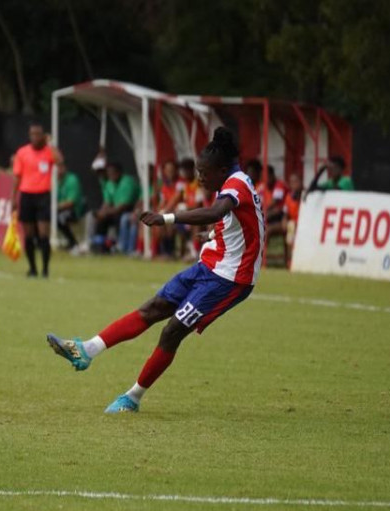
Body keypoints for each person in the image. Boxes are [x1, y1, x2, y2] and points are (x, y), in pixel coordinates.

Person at [46, 127, 264, 413]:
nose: (199, 178)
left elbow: (215, 213)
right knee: (153, 307)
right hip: (209, 266)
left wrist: (167, 218)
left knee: (172, 331)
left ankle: (132, 398)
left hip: (229, 279)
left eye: (203, 173)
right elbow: (242, 223)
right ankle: (86, 350)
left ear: (222, 169)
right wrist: (213, 236)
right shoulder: (233, 182)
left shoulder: (236, 185)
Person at [11, 122, 63, 277]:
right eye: (32, 134)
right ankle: (32, 268)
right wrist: (13, 198)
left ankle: (45, 269)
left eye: (38, 134)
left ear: (43, 136)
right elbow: (17, 176)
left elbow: (60, 162)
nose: (35, 137)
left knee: (43, 234)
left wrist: (51, 144)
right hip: (26, 195)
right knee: (28, 235)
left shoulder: (48, 152)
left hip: (43, 196)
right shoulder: (22, 153)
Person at [96, 162, 140, 253]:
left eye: (112, 173)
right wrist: (101, 213)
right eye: (109, 173)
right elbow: (107, 202)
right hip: (115, 210)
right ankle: (99, 245)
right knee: (99, 219)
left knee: (120, 218)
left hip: (129, 209)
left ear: (119, 172)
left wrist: (106, 212)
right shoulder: (109, 183)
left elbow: (123, 206)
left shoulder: (127, 182)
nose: (110, 175)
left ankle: (121, 246)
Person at [56, 164, 84, 250]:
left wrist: (54, 207)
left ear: (65, 168)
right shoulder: (52, 180)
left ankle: (73, 243)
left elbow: (71, 202)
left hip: (74, 211)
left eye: (60, 167)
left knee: (60, 218)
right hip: (57, 210)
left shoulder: (71, 180)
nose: (58, 170)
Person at [282, 173, 304, 267]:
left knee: (291, 226)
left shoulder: (306, 195)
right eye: (291, 182)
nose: (294, 184)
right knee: (290, 226)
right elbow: (285, 214)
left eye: (296, 182)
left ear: (301, 182)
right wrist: (284, 221)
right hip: (293, 224)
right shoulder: (289, 197)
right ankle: (289, 262)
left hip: (305, 224)